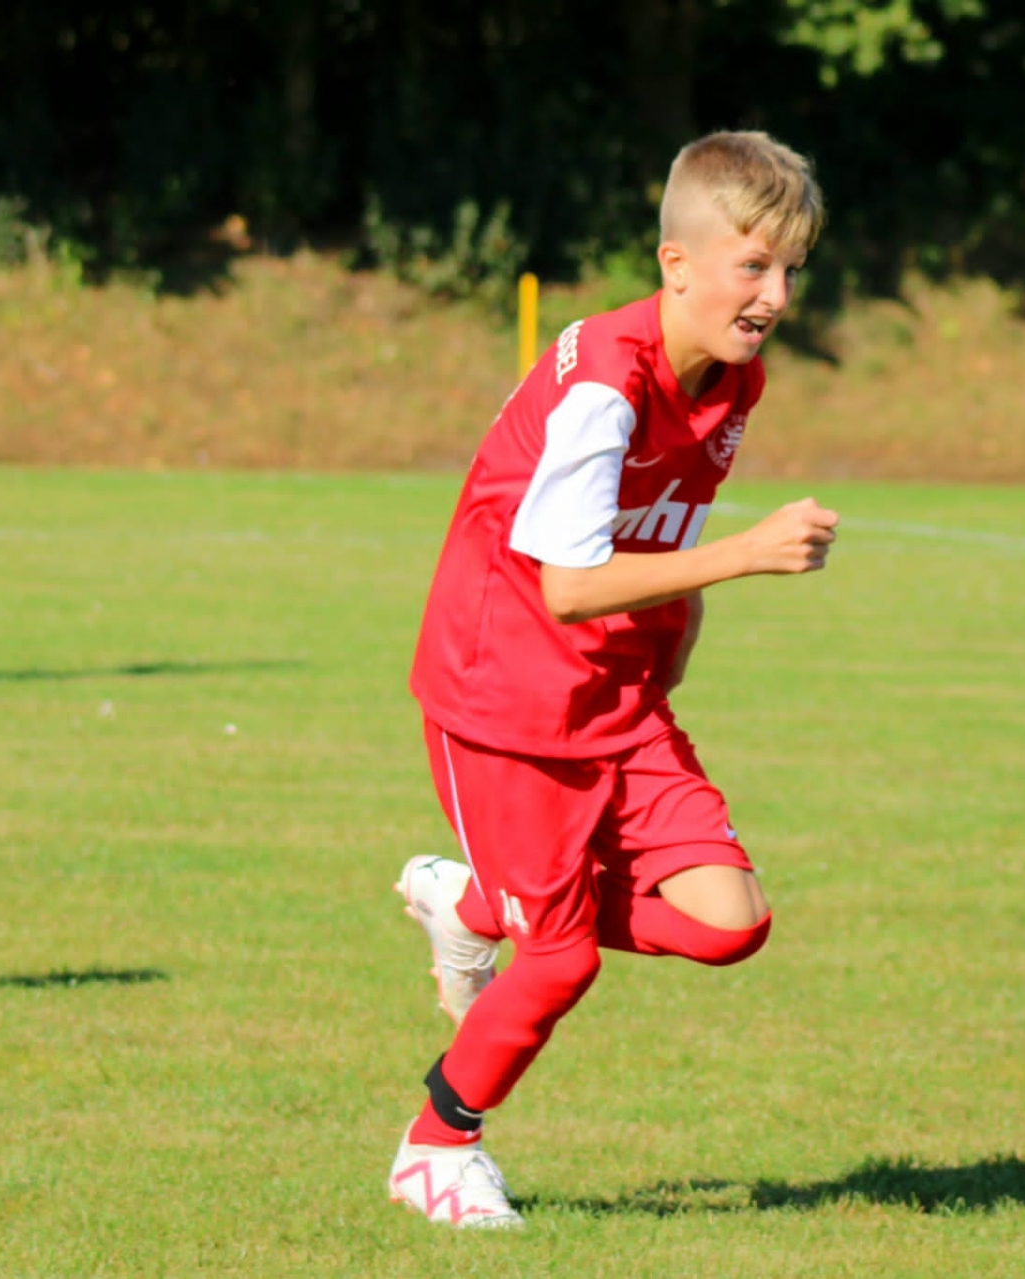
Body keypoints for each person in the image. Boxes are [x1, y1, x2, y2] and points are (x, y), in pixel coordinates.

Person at [386, 130, 838, 1229]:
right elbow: (569, 587)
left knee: (729, 921)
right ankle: (435, 1149)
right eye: (753, 265)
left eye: (792, 269)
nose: (776, 296)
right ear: (676, 263)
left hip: (617, 692)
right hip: (503, 693)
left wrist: (675, 635)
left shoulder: (734, 377)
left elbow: (656, 534)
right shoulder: (604, 386)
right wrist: (744, 555)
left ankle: (476, 900)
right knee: (559, 958)